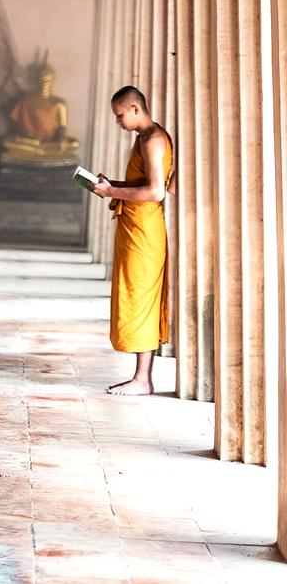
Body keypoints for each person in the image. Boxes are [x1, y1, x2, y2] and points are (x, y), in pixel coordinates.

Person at [92, 86, 174, 395]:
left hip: (146, 228)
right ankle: (140, 376)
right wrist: (111, 184)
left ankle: (143, 378)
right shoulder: (143, 138)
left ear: (135, 109)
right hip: (135, 225)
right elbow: (142, 183)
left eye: (120, 115)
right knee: (133, 293)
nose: (118, 122)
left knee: (141, 296)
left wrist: (112, 193)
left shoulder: (153, 139)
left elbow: (155, 191)